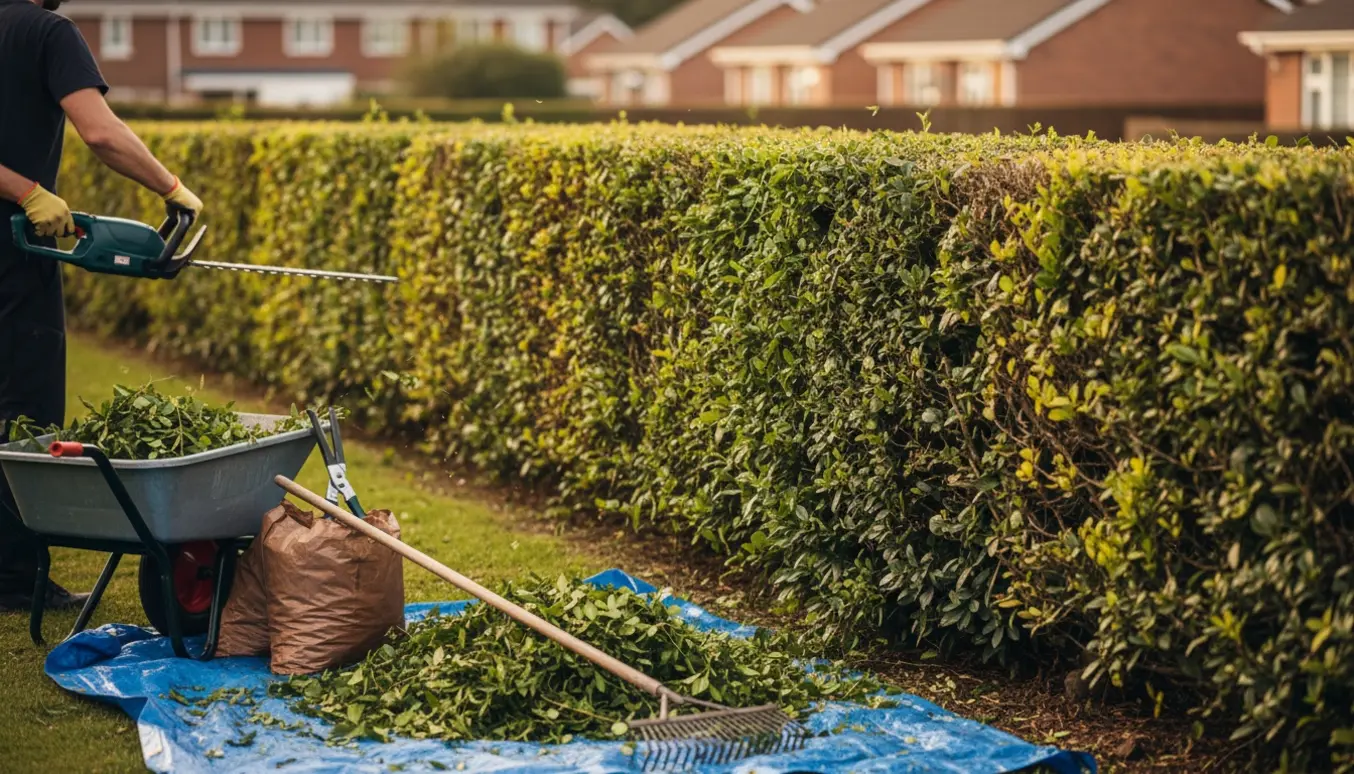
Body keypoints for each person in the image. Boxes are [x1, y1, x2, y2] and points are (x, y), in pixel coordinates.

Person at [0, 0, 203, 611]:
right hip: (11, 254)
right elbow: (101, 132)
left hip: (19, 224)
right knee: (22, 412)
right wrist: (173, 189)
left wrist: (24, 190)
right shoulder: (48, 31)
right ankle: (11, 580)